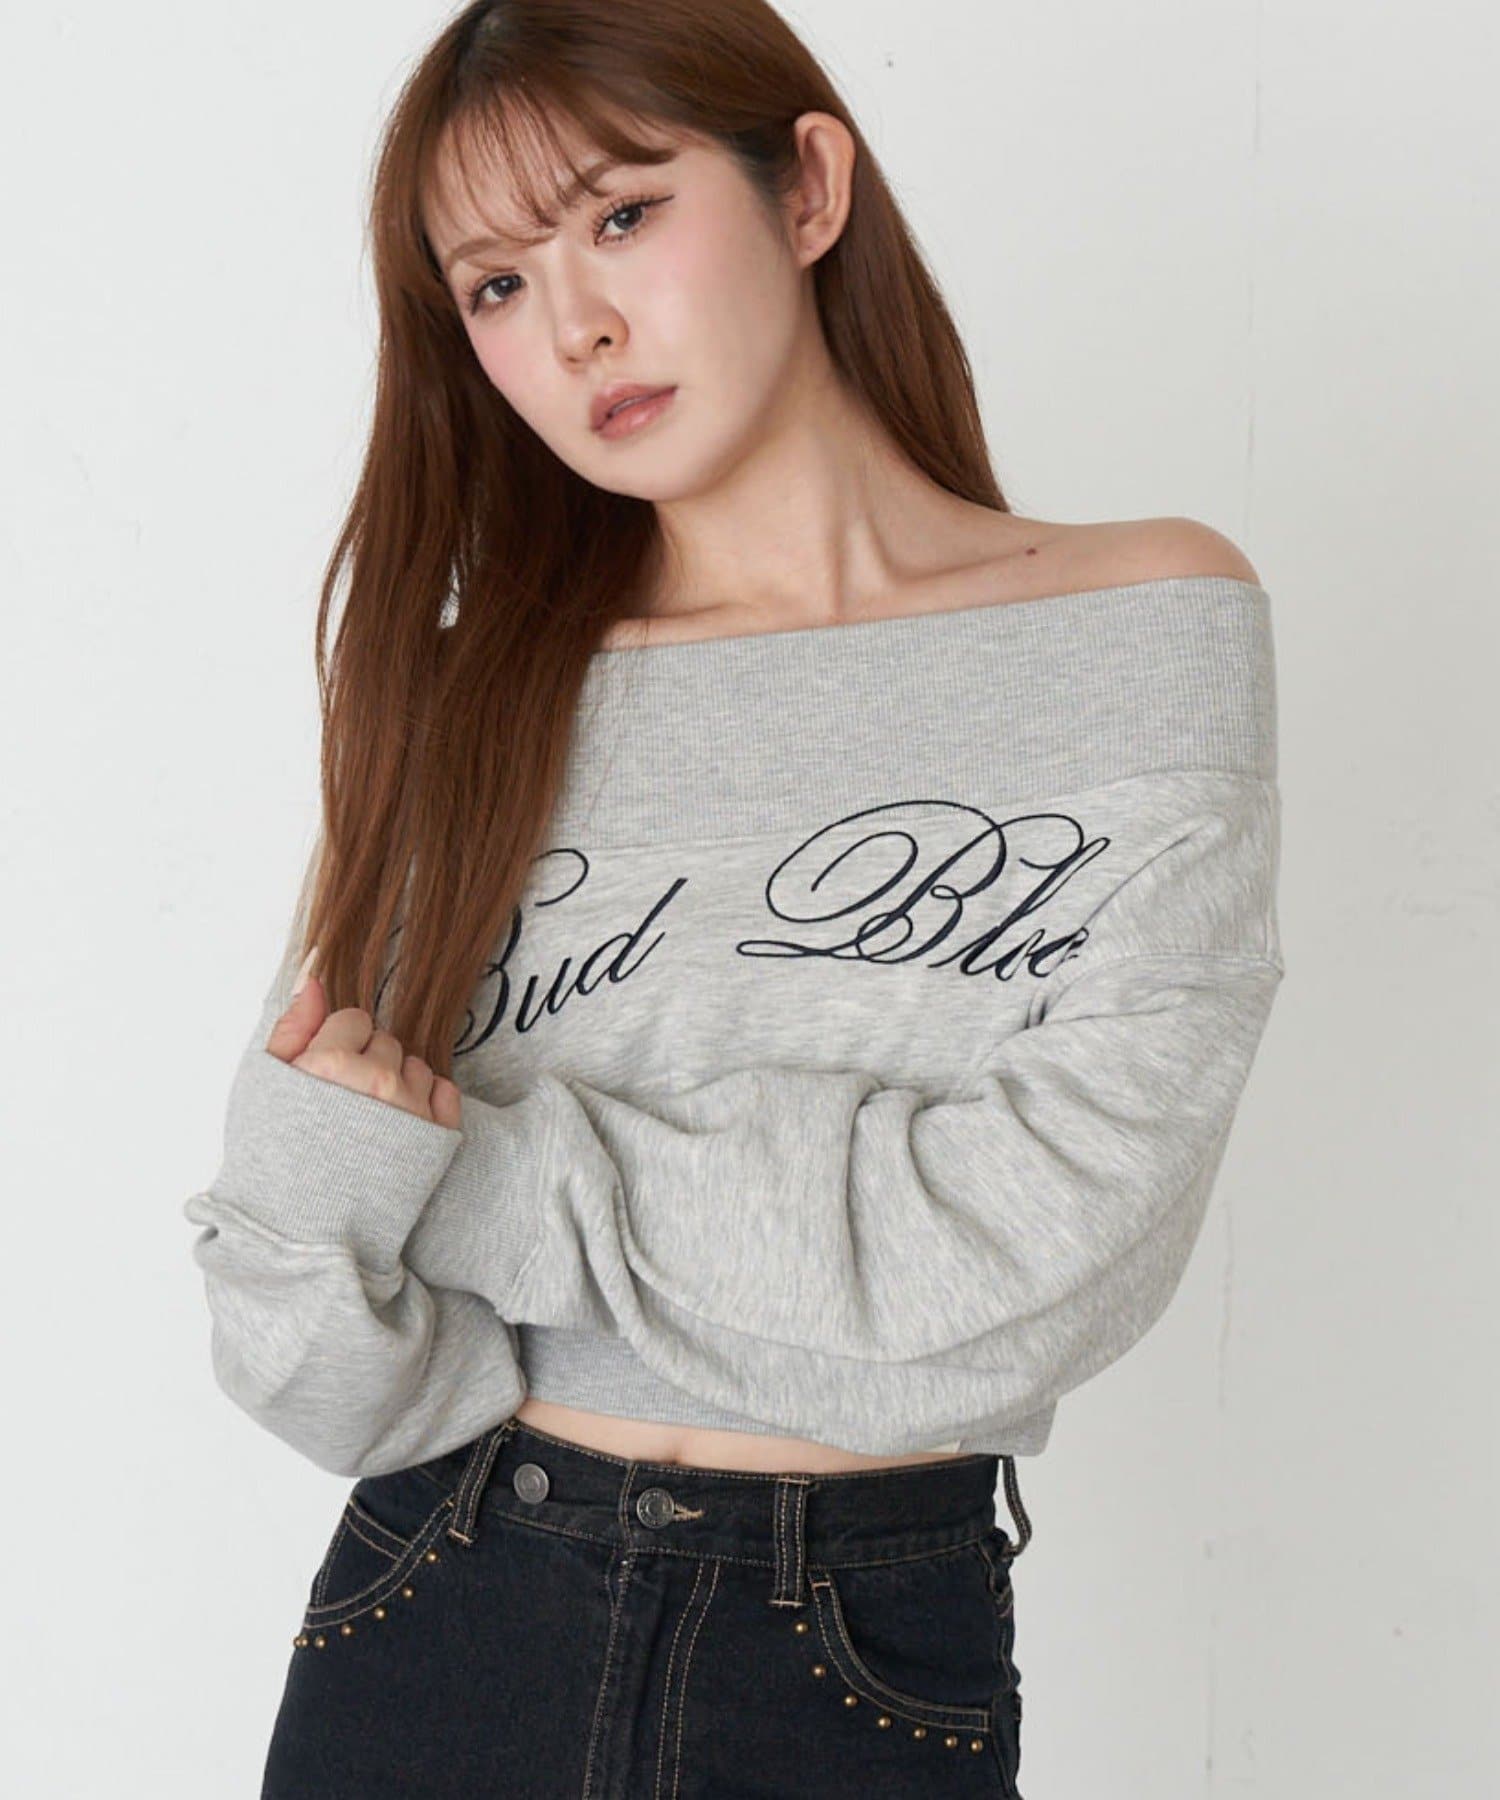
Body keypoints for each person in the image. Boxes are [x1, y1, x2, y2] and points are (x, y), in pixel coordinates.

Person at [182, 2, 1286, 1794]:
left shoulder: (1140, 627)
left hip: (853, 1655)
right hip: (441, 1607)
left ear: (810, 189)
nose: (577, 325)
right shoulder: (465, 694)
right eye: (495, 286)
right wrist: (369, 1191)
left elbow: (1042, 1266)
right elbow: (309, 1342)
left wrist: (459, 1170)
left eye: (621, 215)